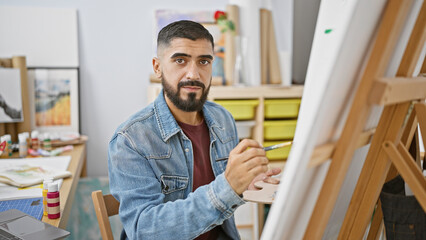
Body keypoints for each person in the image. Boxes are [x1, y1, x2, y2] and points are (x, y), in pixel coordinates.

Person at [108, 20, 280, 240]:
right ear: (157, 67)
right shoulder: (130, 139)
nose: (194, 73)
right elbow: (144, 230)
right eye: (180, 60)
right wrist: (227, 188)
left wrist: (245, 183)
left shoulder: (223, 119)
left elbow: (226, 191)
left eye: (203, 61)